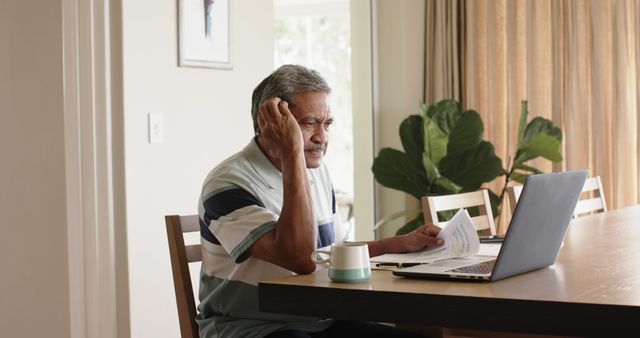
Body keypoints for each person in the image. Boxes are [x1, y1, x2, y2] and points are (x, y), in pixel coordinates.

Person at [196, 64, 443, 338]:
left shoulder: (317, 172)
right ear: (270, 124)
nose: (322, 137)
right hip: (252, 327)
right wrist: (292, 154)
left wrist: (400, 243)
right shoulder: (228, 183)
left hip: (320, 321)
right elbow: (301, 259)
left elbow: (329, 252)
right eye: (309, 123)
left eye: (327, 124)